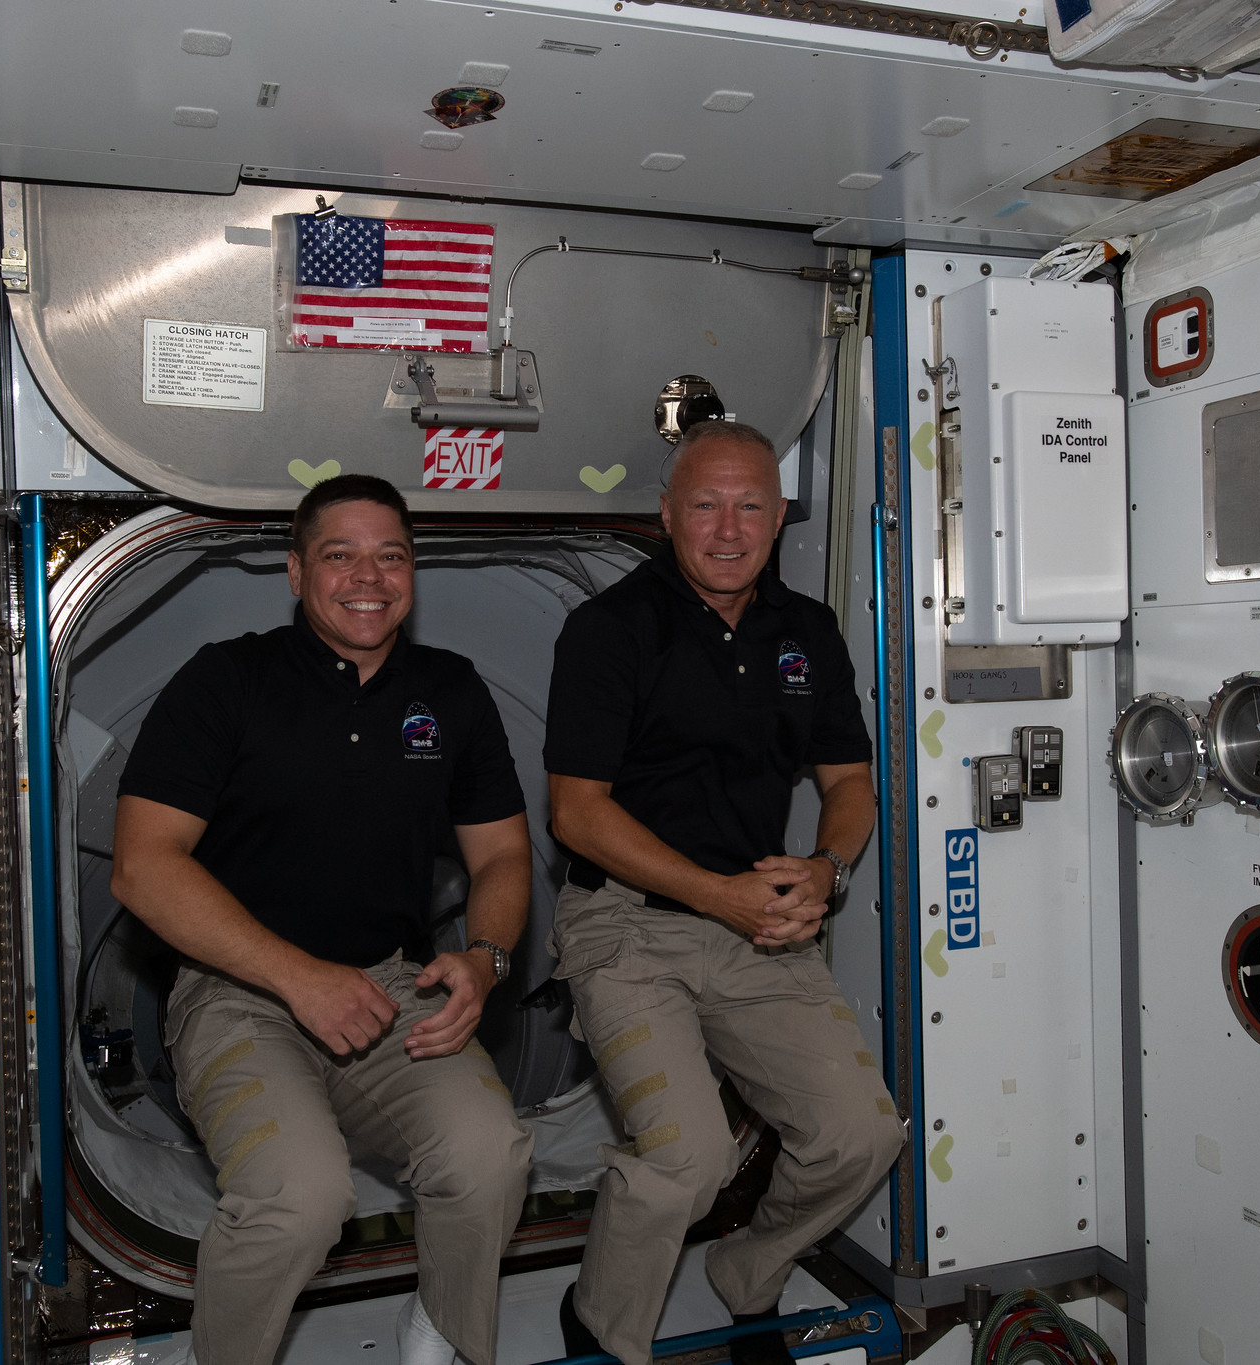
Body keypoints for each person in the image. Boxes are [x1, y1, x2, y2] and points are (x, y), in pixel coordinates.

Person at [111, 474, 534, 1365]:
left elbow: (500, 857)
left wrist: (486, 959)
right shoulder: (228, 680)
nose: (368, 576)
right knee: (299, 1194)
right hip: (237, 993)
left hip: (389, 983)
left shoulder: (450, 692)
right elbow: (144, 868)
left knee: (489, 1154)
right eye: (340, 554)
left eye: (391, 555)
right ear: (297, 572)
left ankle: (442, 1338)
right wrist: (298, 978)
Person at [542, 422, 905, 1365]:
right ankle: (601, 1325)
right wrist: (716, 895)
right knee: (687, 1158)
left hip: (759, 920)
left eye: (752, 505)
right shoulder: (611, 630)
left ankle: (749, 1274)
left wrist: (825, 870)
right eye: (705, 504)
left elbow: (850, 782)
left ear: (782, 516)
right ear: (668, 516)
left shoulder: (806, 633)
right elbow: (577, 815)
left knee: (861, 1135)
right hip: (627, 922)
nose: (730, 527)